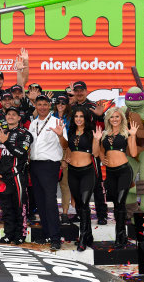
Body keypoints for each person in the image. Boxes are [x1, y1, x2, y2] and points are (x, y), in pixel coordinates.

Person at [29, 94, 68, 251]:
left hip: (50, 166)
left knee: (50, 202)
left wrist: (60, 135)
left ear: (50, 105)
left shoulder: (57, 122)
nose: (43, 107)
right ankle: (46, 233)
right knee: (40, 201)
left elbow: (65, 145)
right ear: (36, 106)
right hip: (34, 165)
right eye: (40, 105)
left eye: (45, 104)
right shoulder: (33, 124)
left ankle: (55, 237)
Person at [96, 107, 138, 249]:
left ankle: (120, 237)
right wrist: (103, 158)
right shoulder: (105, 134)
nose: (114, 119)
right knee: (116, 203)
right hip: (110, 173)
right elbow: (100, 151)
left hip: (124, 172)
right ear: (108, 119)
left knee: (120, 202)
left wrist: (132, 135)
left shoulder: (127, 133)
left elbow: (133, 153)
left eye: (117, 117)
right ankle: (122, 236)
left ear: (121, 119)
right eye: (112, 117)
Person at [0, 106, 33, 245]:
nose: (10, 116)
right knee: (6, 208)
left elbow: (21, 153)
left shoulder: (25, 134)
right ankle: (8, 234)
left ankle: (20, 235)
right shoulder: (1, 132)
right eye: (8, 114)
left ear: (19, 118)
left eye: (13, 114)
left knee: (19, 206)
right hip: (3, 177)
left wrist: (6, 142)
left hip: (17, 175)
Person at [71, 80, 108, 225]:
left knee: (97, 183)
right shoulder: (71, 107)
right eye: (77, 90)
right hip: (76, 149)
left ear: (86, 91)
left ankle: (102, 214)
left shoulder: (93, 106)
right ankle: (80, 213)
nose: (79, 93)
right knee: (77, 186)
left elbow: (103, 126)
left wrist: (100, 116)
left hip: (92, 148)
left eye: (82, 90)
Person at [65, 108, 98, 251]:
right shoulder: (71, 132)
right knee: (79, 205)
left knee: (84, 204)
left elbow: (96, 153)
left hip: (87, 172)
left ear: (86, 118)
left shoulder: (91, 133)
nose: (78, 119)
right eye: (76, 116)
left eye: (81, 116)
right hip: (72, 171)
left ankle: (83, 237)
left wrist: (97, 139)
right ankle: (89, 235)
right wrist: (66, 157)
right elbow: (68, 149)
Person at [53, 93, 75, 223]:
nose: (60, 105)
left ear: (67, 105)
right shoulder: (50, 116)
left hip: (65, 151)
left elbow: (72, 138)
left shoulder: (72, 118)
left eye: (63, 103)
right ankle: (52, 211)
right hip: (50, 152)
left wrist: (67, 155)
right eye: (58, 103)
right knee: (50, 185)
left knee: (65, 184)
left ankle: (65, 213)